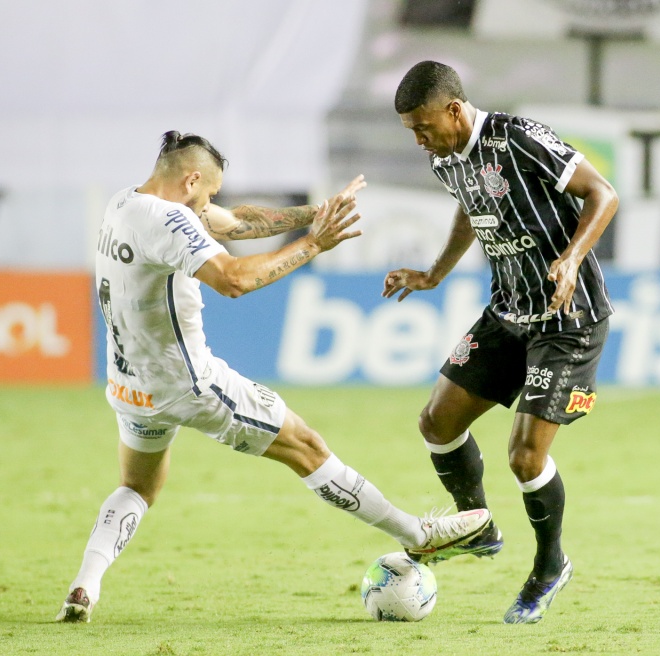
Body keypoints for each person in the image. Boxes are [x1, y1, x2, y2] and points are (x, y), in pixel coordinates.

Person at [55, 130, 491, 623]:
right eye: (210, 192)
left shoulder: (125, 204)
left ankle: (84, 586)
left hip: (130, 387)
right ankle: (416, 536)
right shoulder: (172, 218)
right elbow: (234, 280)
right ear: (192, 178)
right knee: (306, 447)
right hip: (191, 384)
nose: (210, 203)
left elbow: (238, 223)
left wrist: (316, 213)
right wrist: (314, 244)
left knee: (137, 486)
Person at [383, 62, 619, 624]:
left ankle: (549, 565)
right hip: (507, 312)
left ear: (454, 110)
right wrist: (435, 274)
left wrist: (569, 259)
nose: (419, 140)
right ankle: (477, 527)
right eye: (410, 131)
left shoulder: (516, 137)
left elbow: (602, 194)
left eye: (422, 126)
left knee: (525, 455)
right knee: (437, 423)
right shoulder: (447, 159)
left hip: (569, 319)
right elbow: (471, 209)